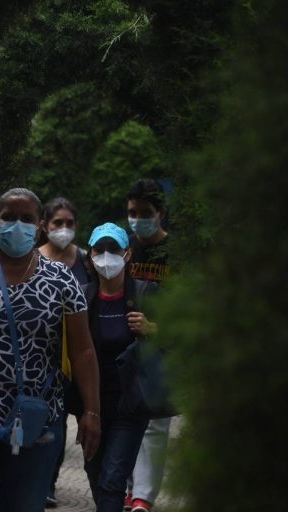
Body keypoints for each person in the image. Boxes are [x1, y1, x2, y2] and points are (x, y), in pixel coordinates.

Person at [0, 188, 101, 512]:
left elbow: (83, 351)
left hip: (35, 420)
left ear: (40, 225)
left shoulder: (62, 280)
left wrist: (92, 411)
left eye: (26, 218)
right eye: (9, 217)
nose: (17, 225)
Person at [77, 222, 157, 512]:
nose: (107, 256)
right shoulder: (82, 298)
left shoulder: (148, 293)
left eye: (114, 249)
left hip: (130, 403)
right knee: (96, 474)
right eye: (100, 249)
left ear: (127, 254)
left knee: (113, 478)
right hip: (92, 404)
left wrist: (153, 329)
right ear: (90, 256)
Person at [37, 196, 91, 507]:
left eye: (70, 223)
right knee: (51, 426)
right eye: (58, 223)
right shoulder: (31, 260)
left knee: (82, 418)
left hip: (79, 357)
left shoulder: (86, 261)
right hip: (45, 359)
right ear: (44, 226)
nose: (64, 229)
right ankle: (47, 483)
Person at [124, 178, 173, 512]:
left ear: (160, 213)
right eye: (132, 212)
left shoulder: (177, 253)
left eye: (145, 212)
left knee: (155, 422)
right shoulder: (124, 248)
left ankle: (143, 497)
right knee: (126, 418)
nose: (138, 218)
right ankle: (130, 489)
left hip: (163, 349)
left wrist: (157, 328)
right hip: (124, 348)